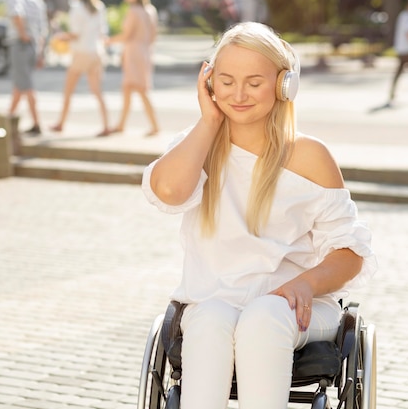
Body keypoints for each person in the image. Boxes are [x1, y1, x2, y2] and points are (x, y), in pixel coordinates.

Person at [141, 22, 377, 409]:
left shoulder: (310, 156)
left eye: (254, 82)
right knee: (211, 317)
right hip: (213, 301)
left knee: (264, 314)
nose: (238, 94)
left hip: (295, 308)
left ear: (285, 85)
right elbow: (167, 192)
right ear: (209, 82)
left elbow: (350, 252)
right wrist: (209, 121)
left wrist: (307, 282)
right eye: (227, 80)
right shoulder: (196, 144)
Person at [49, 0, 110, 135]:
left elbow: (76, 34)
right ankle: (106, 125)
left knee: (68, 90)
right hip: (96, 52)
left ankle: (61, 123)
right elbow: (103, 33)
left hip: (81, 53)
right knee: (98, 92)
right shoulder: (99, 7)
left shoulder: (76, 7)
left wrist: (61, 37)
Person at [101, 0, 159, 137]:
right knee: (127, 88)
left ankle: (155, 125)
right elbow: (153, 36)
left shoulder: (133, 11)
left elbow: (126, 35)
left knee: (141, 89)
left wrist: (108, 40)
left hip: (134, 52)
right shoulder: (150, 10)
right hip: (145, 52)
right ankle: (121, 124)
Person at [7, 0, 49, 135]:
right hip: (33, 46)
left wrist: (23, 35)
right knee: (20, 84)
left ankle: (37, 123)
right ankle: (8, 119)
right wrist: (40, 52)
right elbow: (43, 29)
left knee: (26, 84)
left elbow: (16, 14)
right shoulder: (37, 0)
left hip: (21, 44)